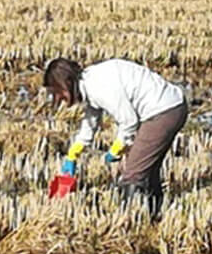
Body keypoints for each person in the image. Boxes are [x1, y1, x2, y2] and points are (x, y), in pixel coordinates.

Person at [43, 57, 188, 219]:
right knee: (147, 169)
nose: (59, 98)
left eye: (58, 92)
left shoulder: (99, 87)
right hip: (172, 106)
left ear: (67, 83)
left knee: (132, 173)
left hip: (163, 112)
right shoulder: (89, 82)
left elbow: (129, 121)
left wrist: (117, 147)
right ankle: (154, 215)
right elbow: (91, 121)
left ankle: (129, 222)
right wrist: (73, 153)